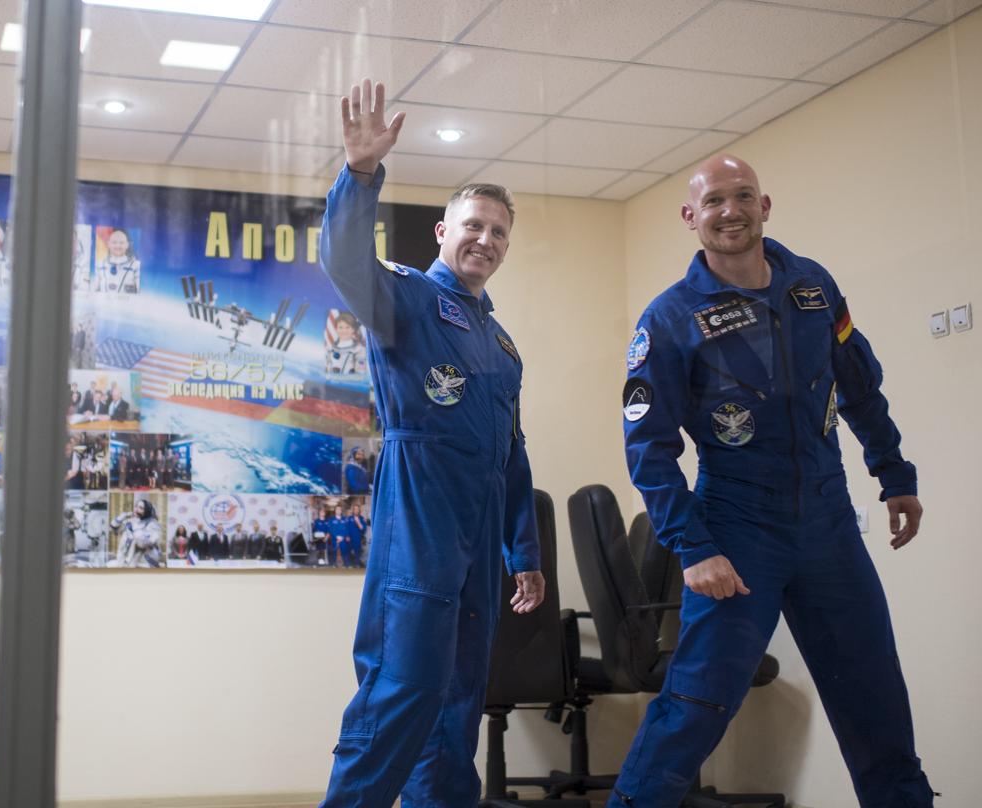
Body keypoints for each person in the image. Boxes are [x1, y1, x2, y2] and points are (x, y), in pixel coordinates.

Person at [612, 154, 933, 807]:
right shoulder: (669, 318)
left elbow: (859, 385)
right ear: (690, 217)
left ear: (765, 205)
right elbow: (648, 446)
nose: (729, 211)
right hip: (736, 528)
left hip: (828, 526)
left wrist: (894, 473)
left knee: (877, 701)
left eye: (742, 196)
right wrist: (693, 547)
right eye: (713, 202)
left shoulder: (811, 287)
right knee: (697, 706)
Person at [317, 80, 543, 806]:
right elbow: (346, 264)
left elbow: (511, 456)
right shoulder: (409, 298)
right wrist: (359, 176)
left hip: (479, 535)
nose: (485, 239)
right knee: (401, 691)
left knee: (458, 701)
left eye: (499, 231)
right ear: (443, 232)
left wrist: (526, 553)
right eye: (473, 224)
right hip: (418, 515)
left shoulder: (501, 344)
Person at [116, 499, 162, 568]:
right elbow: (114, 528)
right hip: (125, 559)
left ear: (146, 511)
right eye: (136, 506)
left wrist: (135, 537)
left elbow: (150, 541)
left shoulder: (153, 523)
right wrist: (124, 515)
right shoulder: (130, 521)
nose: (136, 509)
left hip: (144, 561)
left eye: (141, 508)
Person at [96, 228, 141, 294]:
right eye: (114, 242)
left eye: (121, 243)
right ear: (109, 244)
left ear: (127, 245)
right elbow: (94, 291)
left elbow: (140, 292)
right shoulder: (99, 265)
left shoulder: (136, 265)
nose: (118, 245)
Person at [325, 310, 367, 375]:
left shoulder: (359, 349)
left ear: (353, 329)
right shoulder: (331, 348)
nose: (344, 330)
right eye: (340, 327)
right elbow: (327, 368)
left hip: (350, 382)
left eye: (347, 327)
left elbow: (361, 371)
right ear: (336, 329)